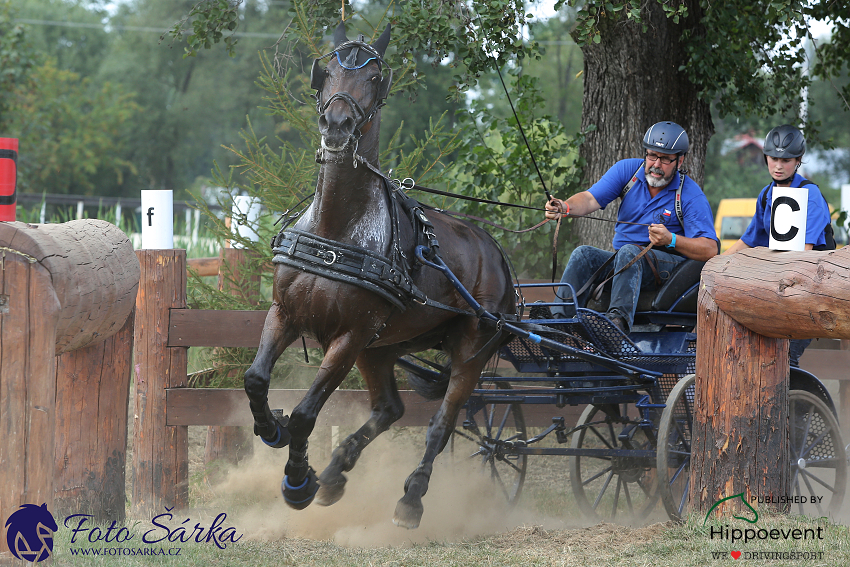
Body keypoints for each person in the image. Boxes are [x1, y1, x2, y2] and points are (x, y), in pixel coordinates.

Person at [545, 121, 719, 333]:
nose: (656, 164)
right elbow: (590, 199)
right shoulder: (627, 171)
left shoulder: (690, 195)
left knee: (630, 251)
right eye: (652, 155)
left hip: (666, 269)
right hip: (625, 261)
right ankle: (558, 324)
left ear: (679, 161)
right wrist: (565, 206)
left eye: (665, 159)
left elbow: (710, 249)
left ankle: (615, 326)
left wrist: (671, 239)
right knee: (584, 255)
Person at [722, 124, 833, 366]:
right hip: (780, 287)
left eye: (786, 160)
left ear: (798, 161)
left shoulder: (810, 194)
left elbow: (805, 253)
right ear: (766, 158)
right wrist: (715, 265)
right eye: (773, 159)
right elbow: (747, 241)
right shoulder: (766, 194)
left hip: (810, 289)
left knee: (784, 356)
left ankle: (792, 400)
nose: (779, 166)